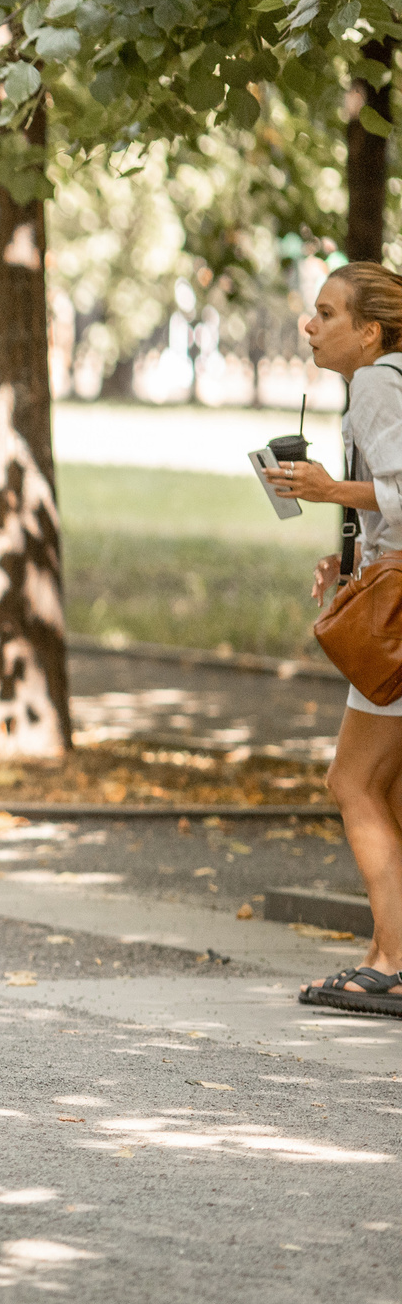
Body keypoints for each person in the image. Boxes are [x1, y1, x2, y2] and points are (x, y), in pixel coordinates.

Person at [273, 263, 402, 1016]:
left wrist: (326, 491)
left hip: (395, 618)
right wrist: (352, 552)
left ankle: (391, 960)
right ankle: (384, 953)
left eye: (326, 313)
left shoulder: (379, 383)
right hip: (390, 591)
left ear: (370, 330)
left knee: (351, 782)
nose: (311, 326)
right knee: (384, 787)